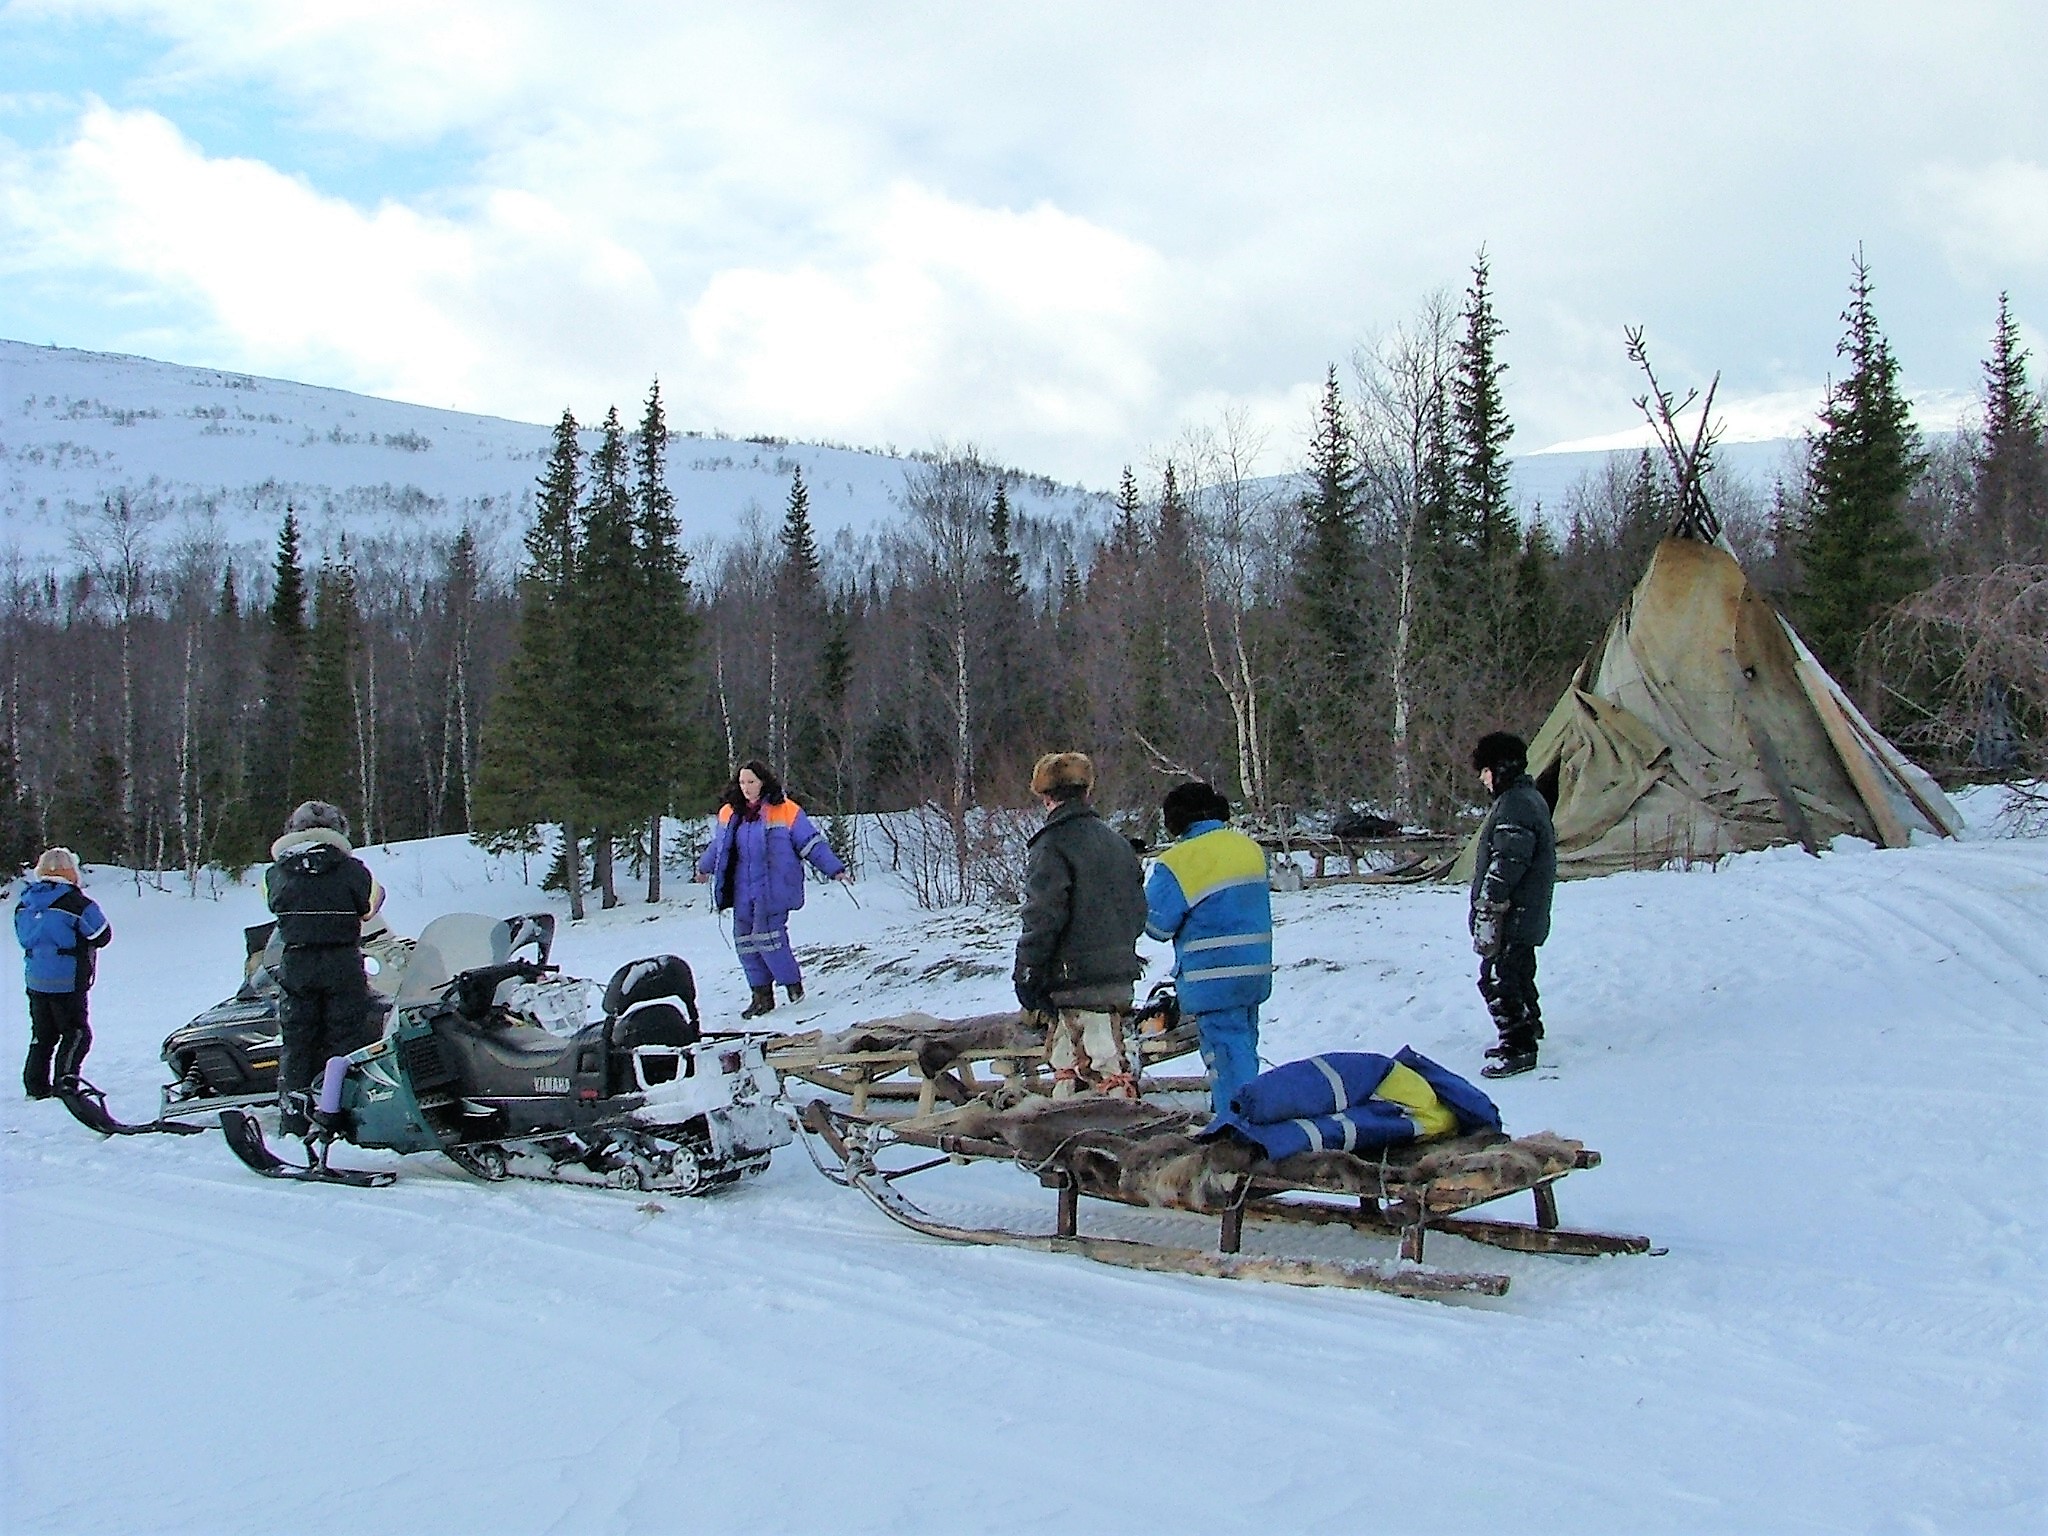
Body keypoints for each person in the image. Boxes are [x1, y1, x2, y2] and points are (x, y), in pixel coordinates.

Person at [1013, 752, 1147, 1099]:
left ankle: (1080, 1143)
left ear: (1045, 797)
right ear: (1087, 790)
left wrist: (1027, 972)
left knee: (1073, 1076)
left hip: (1075, 983)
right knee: (1112, 1070)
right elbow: (1137, 912)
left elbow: (1043, 917)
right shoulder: (1118, 844)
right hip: (1119, 978)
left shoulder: (1052, 845)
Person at [1144, 781, 1274, 1115]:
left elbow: (1156, 926)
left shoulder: (1177, 861)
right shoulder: (1249, 848)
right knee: (1245, 1048)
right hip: (1255, 970)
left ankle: (1236, 1130)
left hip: (1213, 977)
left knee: (1226, 1060)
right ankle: (1249, 1115)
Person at [695, 760, 850, 1018]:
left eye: (751, 782)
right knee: (745, 942)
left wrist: (835, 868)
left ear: (763, 782)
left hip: (773, 888)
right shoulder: (729, 813)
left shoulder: (786, 810)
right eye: (742, 782)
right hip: (742, 889)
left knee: (769, 938)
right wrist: (704, 868)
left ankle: (792, 987)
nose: (746, 787)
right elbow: (718, 846)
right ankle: (761, 996)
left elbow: (811, 843)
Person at [266, 801, 380, 1135]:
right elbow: (367, 907)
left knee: (297, 1040)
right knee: (345, 1039)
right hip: (342, 959)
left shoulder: (276, 872)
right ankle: (340, 1116)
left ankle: (294, 1117)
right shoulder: (353, 869)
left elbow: (273, 904)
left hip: (296, 961)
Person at [1468, 731, 1556, 1079]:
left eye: (1485, 770)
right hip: (1526, 912)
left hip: (1514, 914)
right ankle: (1530, 1023)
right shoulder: (1525, 799)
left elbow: (1507, 861)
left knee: (1497, 975)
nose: (1482, 778)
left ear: (1500, 769)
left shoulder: (1516, 805)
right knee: (1518, 970)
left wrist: (1488, 903)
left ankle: (1518, 1045)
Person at [14, 847, 112, 1099]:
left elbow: (23, 935)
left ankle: (35, 1086)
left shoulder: (25, 901)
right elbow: (101, 935)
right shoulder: (76, 903)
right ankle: (66, 1084)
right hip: (67, 980)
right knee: (77, 1033)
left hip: (36, 977)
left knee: (43, 1034)